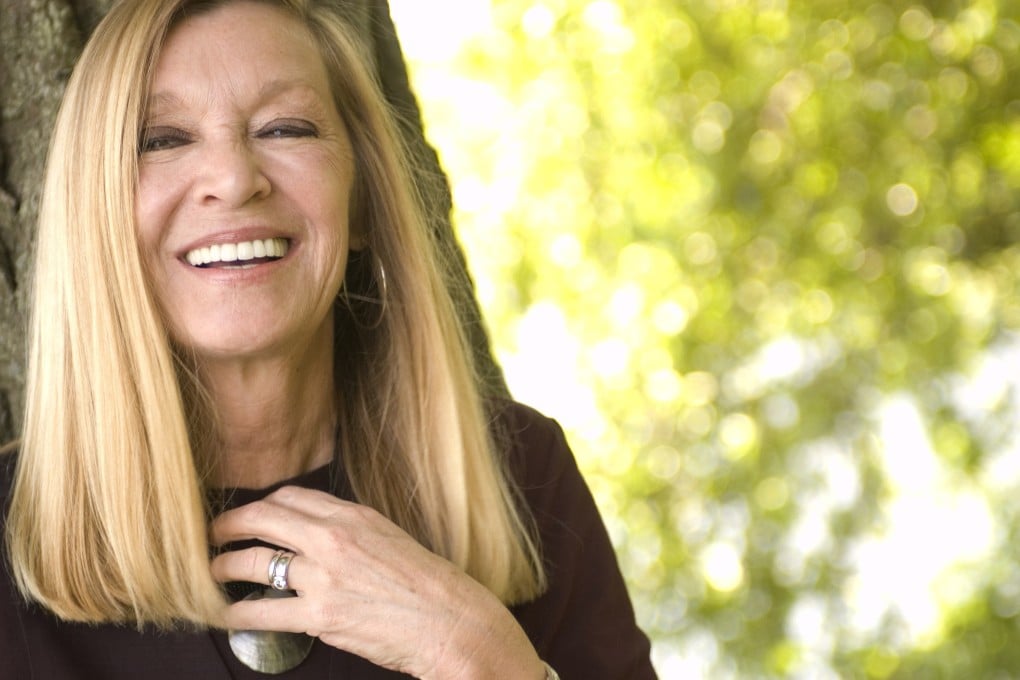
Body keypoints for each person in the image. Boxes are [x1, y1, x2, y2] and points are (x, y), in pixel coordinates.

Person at [0, 0, 657, 677]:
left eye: (284, 128)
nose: (234, 180)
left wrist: (477, 655)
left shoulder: (522, 474)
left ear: (363, 199)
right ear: (92, 212)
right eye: (163, 139)